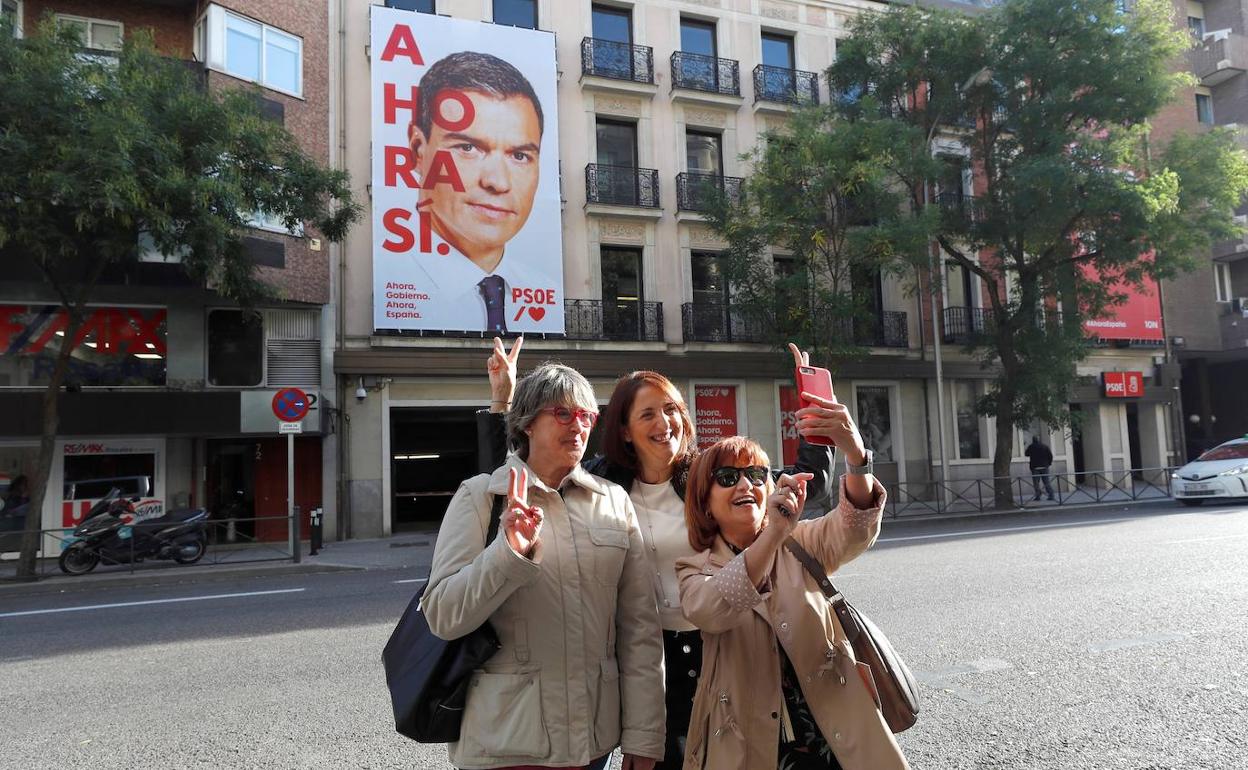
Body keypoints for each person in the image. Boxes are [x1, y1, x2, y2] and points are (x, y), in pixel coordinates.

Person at [479, 337, 836, 768]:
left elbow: (801, 485)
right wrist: (504, 402)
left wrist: (815, 400)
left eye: (671, 409)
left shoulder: (711, 475)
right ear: (624, 430)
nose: (664, 422)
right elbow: (518, 481)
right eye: (647, 413)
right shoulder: (601, 486)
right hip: (643, 653)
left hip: (717, 638)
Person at [423, 363, 665, 770]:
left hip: (592, 744)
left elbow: (639, 628)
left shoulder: (613, 502)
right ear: (528, 423)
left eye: (586, 415)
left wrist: (644, 736)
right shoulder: (481, 496)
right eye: (563, 413)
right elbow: (443, 615)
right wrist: (508, 554)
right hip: (506, 741)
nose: (578, 425)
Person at [676, 432, 907, 770]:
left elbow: (854, 527)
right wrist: (772, 535)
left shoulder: (799, 542)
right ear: (704, 502)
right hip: (750, 744)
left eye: (756, 475)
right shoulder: (694, 567)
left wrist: (857, 456)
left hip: (835, 735)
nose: (745, 485)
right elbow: (710, 610)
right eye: (728, 477)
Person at [406, 52, 553, 333]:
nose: (497, 181)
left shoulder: (546, 289)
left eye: (520, 156)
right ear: (418, 150)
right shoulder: (394, 278)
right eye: (468, 148)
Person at [1025, 435, 1055, 501]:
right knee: (1046, 482)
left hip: (1035, 467)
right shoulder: (1044, 446)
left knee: (1036, 483)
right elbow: (1050, 456)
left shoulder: (1031, 447)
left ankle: (1038, 496)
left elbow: (1026, 454)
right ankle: (1051, 495)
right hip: (1044, 467)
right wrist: (1049, 463)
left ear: (1033, 440)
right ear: (1039, 440)